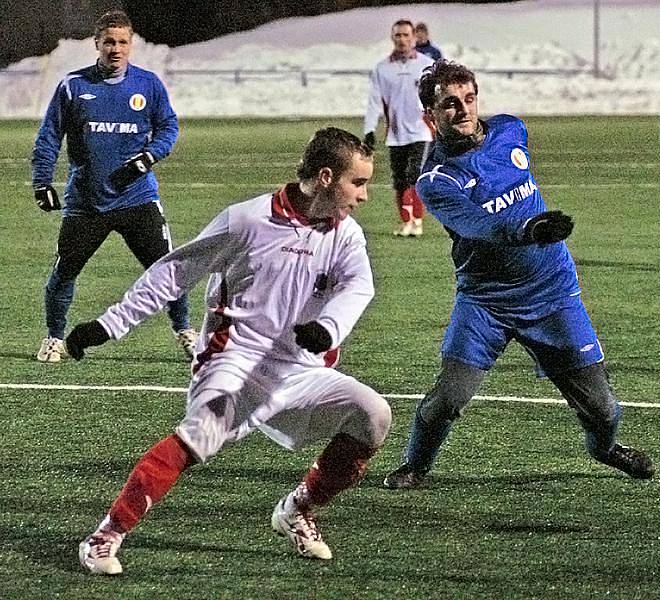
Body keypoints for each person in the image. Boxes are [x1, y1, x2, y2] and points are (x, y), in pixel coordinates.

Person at [67, 127, 391, 574]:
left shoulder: (345, 234)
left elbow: (359, 285)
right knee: (197, 436)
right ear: (325, 177)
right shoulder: (247, 220)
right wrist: (109, 324)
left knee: (373, 414)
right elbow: (174, 273)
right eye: (359, 183)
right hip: (234, 360)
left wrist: (328, 328)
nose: (365, 196)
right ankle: (104, 536)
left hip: (298, 368)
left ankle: (297, 509)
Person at [383, 60, 655, 490]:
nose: (464, 110)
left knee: (602, 409)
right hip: (486, 303)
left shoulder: (511, 129)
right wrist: (528, 228)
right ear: (429, 115)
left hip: (552, 294)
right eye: (450, 104)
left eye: (469, 99)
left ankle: (604, 449)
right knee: (449, 397)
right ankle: (415, 465)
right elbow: (479, 225)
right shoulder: (436, 181)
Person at [31, 9, 197, 363]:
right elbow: (49, 137)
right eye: (109, 42)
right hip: (87, 203)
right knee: (64, 272)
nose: (116, 49)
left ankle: (185, 330)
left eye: (122, 42)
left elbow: (169, 127)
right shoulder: (73, 86)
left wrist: (147, 158)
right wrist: (41, 180)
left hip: (138, 199)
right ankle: (54, 337)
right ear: (97, 44)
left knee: (168, 269)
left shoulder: (148, 85)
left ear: (131, 45)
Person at [364, 19, 434, 237]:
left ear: (414, 37)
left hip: (421, 131)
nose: (402, 39)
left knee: (415, 174)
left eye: (406, 35)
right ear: (392, 38)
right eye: (398, 35)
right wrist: (369, 130)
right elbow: (375, 101)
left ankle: (418, 220)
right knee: (399, 180)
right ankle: (406, 222)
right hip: (396, 134)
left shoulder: (425, 64)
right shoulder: (382, 68)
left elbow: (435, 97)